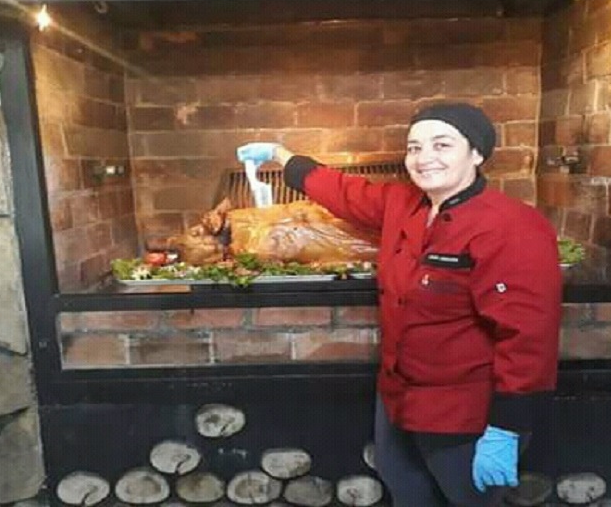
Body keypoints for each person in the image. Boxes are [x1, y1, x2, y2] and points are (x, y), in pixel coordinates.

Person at [236, 102, 561, 507]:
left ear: (477, 153)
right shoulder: (403, 204)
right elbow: (343, 192)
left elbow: (529, 337)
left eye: (442, 145)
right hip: (398, 400)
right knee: (407, 493)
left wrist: (507, 427)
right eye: (414, 147)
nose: (424, 158)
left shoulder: (512, 226)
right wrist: (279, 155)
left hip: (465, 414)